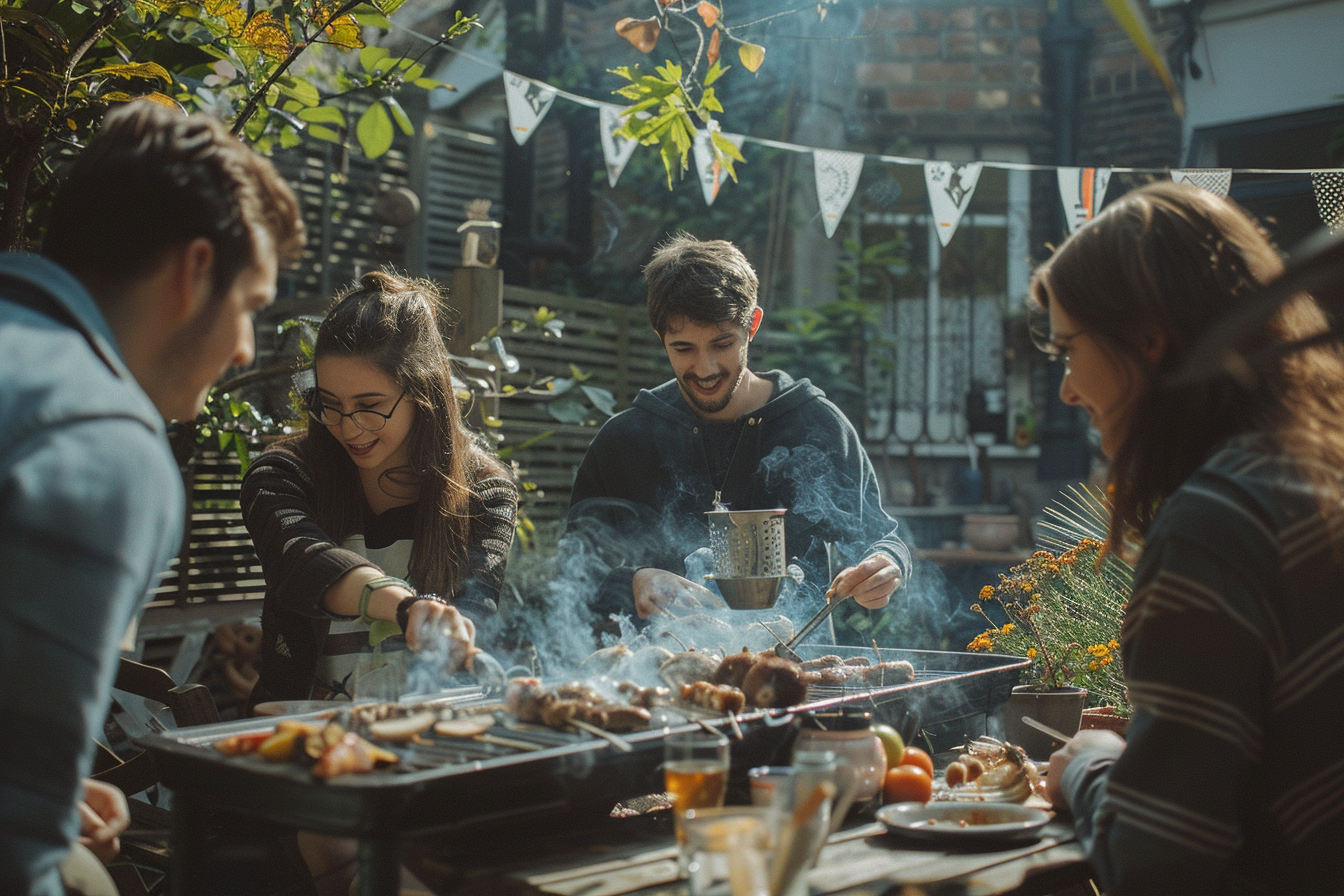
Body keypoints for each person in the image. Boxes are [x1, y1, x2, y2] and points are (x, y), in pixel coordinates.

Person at [0, 100, 303, 895]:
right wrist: (33, 815)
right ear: (193, 270)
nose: (244, 348)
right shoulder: (99, 439)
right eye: (251, 308)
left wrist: (47, 794)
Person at [1033, 181, 1344, 895]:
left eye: (1067, 350)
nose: (1067, 392)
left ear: (1148, 340)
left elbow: (1155, 863)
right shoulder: (1314, 471)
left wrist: (1086, 762)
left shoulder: (1219, 524)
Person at [564, 234, 909, 632]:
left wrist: (887, 565)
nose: (705, 367)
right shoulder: (624, 442)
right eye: (683, 348)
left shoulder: (817, 425)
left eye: (722, 343)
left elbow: (880, 538)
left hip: (796, 674)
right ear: (661, 339)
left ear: (753, 325)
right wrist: (633, 580)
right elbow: (574, 573)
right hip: (656, 677)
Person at [242, 269, 519, 709]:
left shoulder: (485, 493)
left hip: (424, 737)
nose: (348, 428)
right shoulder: (282, 475)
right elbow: (302, 561)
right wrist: (405, 606)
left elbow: (471, 615)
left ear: (422, 391)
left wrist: (447, 625)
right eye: (329, 405)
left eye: (370, 407)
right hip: (300, 733)